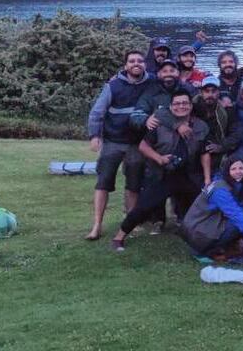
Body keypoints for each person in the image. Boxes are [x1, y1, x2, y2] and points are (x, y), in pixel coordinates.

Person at [109, 90, 208, 252]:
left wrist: (207, 177)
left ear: (191, 106)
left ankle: (200, 238)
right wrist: (159, 158)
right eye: (177, 103)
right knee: (143, 206)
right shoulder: (161, 123)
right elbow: (143, 146)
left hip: (188, 175)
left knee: (200, 207)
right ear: (171, 107)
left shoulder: (201, 126)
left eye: (185, 103)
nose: (181, 106)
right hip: (164, 173)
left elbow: (204, 152)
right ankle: (119, 237)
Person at [85, 49, 152, 240]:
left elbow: (172, 76)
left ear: (145, 64)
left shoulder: (152, 83)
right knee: (103, 182)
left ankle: (129, 224)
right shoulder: (113, 86)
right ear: (126, 65)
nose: (136, 64)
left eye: (140, 61)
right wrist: (94, 136)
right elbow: (97, 112)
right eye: (132, 61)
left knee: (133, 184)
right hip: (113, 142)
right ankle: (97, 225)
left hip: (136, 143)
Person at [181, 156, 243, 258]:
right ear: (226, 171)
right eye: (233, 169)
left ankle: (233, 246)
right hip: (198, 233)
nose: (238, 171)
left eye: (241, 168)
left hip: (204, 225)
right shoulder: (220, 189)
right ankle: (207, 251)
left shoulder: (233, 183)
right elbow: (234, 213)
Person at [195, 76, 241, 182]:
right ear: (201, 93)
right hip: (196, 154)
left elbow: (236, 133)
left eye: (213, 91)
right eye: (207, 91)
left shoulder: (228, 110)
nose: (210, 95)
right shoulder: (192, 108)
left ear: (219, 92)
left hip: (219, 154)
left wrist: (221, 146)